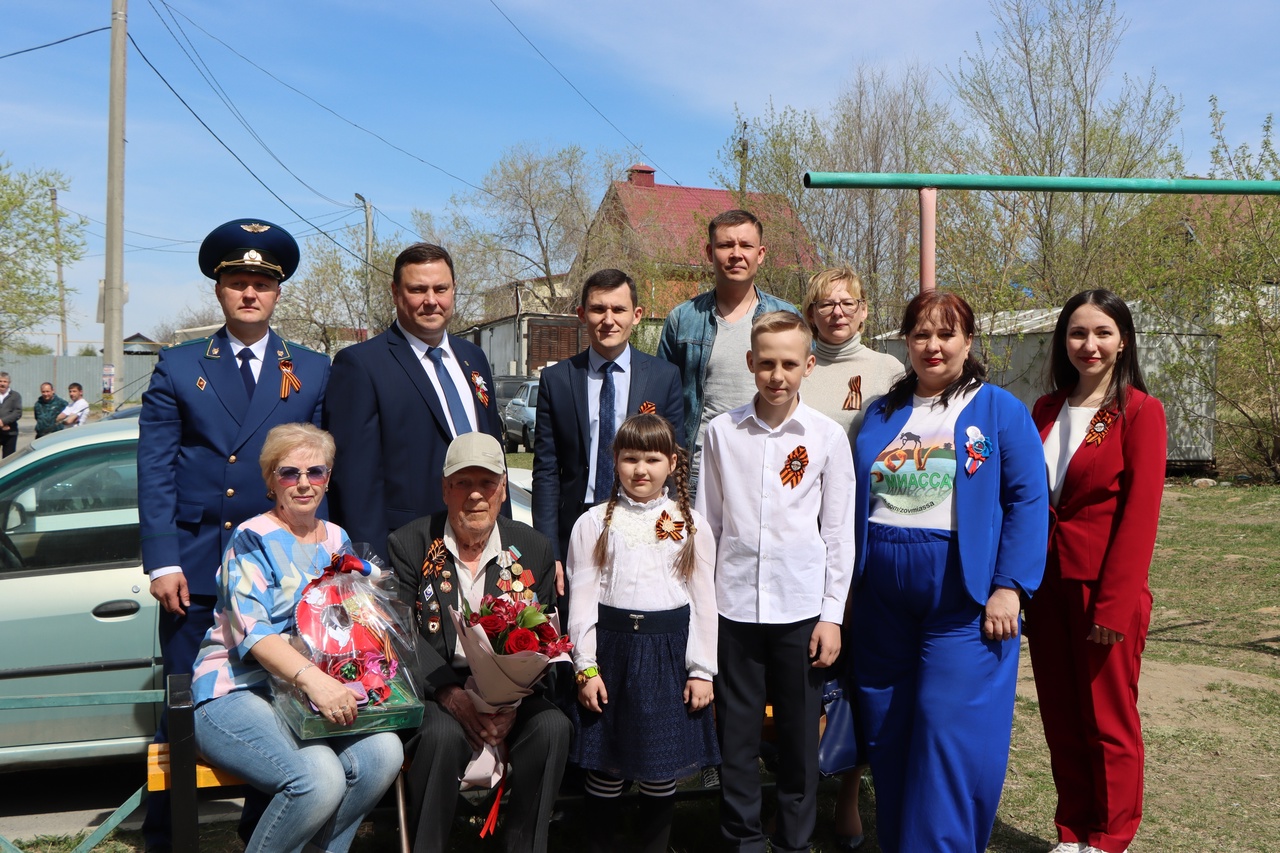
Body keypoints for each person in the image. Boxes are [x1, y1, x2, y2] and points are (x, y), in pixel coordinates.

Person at [137, 217, 330, 850]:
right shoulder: (180, 364)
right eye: (237, 282)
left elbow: (323, 472)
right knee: (184, 715)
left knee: (274, 711)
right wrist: (163, 560)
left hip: (279, 574)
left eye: (261, 284)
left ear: (277, 294)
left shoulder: (309, 368)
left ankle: (266, 834)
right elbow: (156, 470)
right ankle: (169, 840)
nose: (250, 293)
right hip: (196, 570)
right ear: (219, 291)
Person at [850, 290, 1048, 853]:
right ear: (906, 341)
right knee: (889, 727)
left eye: (947, 334)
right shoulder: (883, 411)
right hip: (881, 596)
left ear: (968, 341)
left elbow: (1029, 502)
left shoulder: (998, 410)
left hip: (963, 596)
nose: (933, 346)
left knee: (948, 731)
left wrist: (1009, 587)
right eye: (921, 334)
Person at [190, 423, 403, 853]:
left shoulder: (338, 539)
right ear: (271, 479)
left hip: (305, 695)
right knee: (318, 776)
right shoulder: (252, 537)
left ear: (328, 478)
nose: (304, 483)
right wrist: (316, 680)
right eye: (290, 473)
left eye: (316, 472)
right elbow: (253, 633)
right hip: (236, 691)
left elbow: (345, 620)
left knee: (385, 752)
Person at [697, 311, 855, 853]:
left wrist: (832, 615)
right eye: (767, 363)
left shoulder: (827, 437)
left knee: (796, 738)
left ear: (809, 365)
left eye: (789, 363)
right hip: (735, 609)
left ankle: (793, 841)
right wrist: (704, 610)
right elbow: (708, 526)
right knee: (737, 737)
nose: (777, 375)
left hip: (801, 611)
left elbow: (837, 534)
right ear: (750, 364)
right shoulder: (722, 433)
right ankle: (742, 839)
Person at [1028, 290, 1166, 853]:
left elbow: (1140, 516)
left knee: (1109, 720)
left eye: (1102, 332)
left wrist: (1113, 604)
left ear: (1123, 340)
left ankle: (1109, 837)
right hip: (1046, 586)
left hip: (1103, 587)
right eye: (1078, 333)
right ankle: (1073, 829)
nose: (1090, 344)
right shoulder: (1044, 408)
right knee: (1061, 715)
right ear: (1064, 340)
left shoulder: (1138, 412)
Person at [388, 432, 570, 853]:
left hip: (514, 694)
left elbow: (543, 638)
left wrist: (511, 705)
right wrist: (451, 695)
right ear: (444, 489)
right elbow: (402, 635)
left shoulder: (533, 548)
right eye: (462, 483)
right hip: (440, 687)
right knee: (440, 737)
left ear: (503, 489)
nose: (475, 495)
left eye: (486, 483)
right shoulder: (411, 543)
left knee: (553, 728)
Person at [567, 413, 719, 853]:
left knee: (659, 766)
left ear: (672, 463)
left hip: (668, 655)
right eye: (630, 457)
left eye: (652, 459)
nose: (640, 469)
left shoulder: (691, 524)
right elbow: (581, 598)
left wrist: (702, 670)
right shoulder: (593, 524)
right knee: (607, 765)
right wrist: (585, 667)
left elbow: (704, 602)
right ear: (614, 460)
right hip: (610, 653)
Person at [799, 266, 903, 850]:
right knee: (811, 672)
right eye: (825, 304)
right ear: (812, 314)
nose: (837, 312)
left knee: (857, 671)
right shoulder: (802, 369)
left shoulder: (889, 374)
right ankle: (800, 791)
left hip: (865, 541)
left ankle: (848, 796)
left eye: (847, 303)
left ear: (864, 311)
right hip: (802, 545)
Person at [327, 242, 505, 560]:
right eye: (417, 289)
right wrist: (374, 568)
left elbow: (495, 454)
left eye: (441, 288)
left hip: (483, 543)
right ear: (396, 293)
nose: (431, 301)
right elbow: (355, 483)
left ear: (454, 291)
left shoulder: (473, 358)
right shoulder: (361, 365)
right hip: (409, 550)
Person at [533, 267, 683, 595]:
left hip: (643, 523)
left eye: (619, 309)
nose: (609, 319)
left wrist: (675, 535)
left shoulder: (663, 377)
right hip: (577, 524)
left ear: (637, 315)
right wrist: (547, 553)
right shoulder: (557, 380)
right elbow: (546, 471)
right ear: (582, 314)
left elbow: (675, 464)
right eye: (599, 309)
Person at [657, 209, 800, 489]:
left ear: (760, 254)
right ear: (710, 252)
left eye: (745, 245)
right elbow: (664, 400)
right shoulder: (683, 319)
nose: (736, 254)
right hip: (699, 472)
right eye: (725, 245)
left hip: (772, 467)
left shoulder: (786, 315)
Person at [0, 373, 20, 456]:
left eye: (5, 381)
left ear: (9, 383)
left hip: (10, 432)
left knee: (8, 460)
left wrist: (3, 421)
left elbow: (18, 412)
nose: (2, 383)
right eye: (0, 381)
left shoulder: (15, 396)